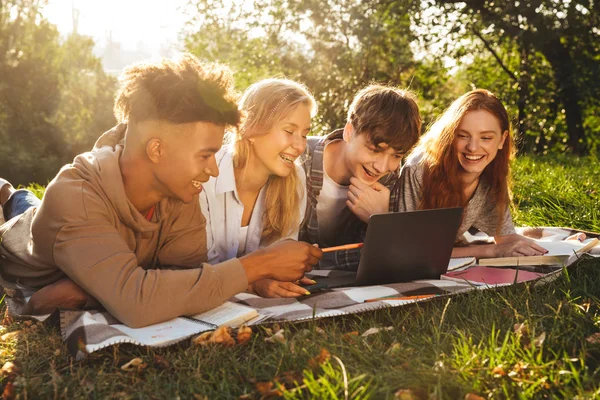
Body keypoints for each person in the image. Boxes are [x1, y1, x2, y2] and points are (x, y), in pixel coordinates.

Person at [0, 54, 321, 328]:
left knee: (30, 205)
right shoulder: (76, 198)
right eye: (205, 155)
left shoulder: (179, 196)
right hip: (23, 252)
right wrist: (258, 265)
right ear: (157, 150)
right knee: (23, 210)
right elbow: (138, 302)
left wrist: (94, 290)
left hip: (81, 245)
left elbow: (189, 279)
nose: (213, 170)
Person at [393, 88, 548, 258]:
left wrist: (560, 247)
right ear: (450, 136)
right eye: (463, 136)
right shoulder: (418, 170)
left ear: (502, 140)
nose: (473, 147)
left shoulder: (491, 173)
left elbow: (505, 238)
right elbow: (407, 248)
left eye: (486, 138)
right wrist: (490, 251)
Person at [201, 78, 318, 297]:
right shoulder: (206, 174)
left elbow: (280, 262)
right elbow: (194, 270)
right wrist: (252, 283)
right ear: (252, 128)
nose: (300, 146)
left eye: (304, 134)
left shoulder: (295, 178)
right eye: (289, 131)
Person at [300, 84, 422, 270]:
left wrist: (381, 220)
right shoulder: (300, 159)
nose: (382, 167)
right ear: (349, 132)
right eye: (375, 150)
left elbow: (384, 261)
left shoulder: (389, 179)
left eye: (397, 156)